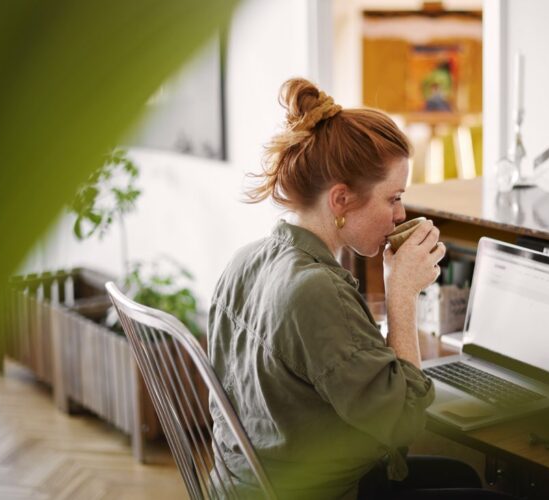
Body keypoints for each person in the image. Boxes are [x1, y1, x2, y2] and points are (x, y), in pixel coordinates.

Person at [208, 78, 501, 499]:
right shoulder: (315, 291)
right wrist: (402, 294)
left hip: (246, 484)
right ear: (341, 200)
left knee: (462, 475)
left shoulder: (246, 260)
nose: (401, 214)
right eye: (393, 198)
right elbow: (404, 424)